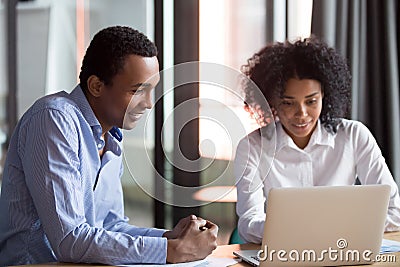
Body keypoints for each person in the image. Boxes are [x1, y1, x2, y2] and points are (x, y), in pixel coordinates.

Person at [0, 26, 218, 265]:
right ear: (96, 86)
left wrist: (171, 239)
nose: (148, 104)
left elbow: (111, 227)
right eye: (137, 91)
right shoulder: (53, 119)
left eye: (151, 91)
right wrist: (170, 251)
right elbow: (69, 241)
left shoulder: (111, 139)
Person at [235, 36, 400, 244]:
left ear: (325, 94)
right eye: (288, 103)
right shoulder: (252, 147)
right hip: (287, 254)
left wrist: (331, 230)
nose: (301, 114)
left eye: (311, 101)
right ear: (271, 102)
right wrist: (316, 230)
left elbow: (394, 212)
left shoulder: (354, 136)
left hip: (343, 250)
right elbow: (249, 224)